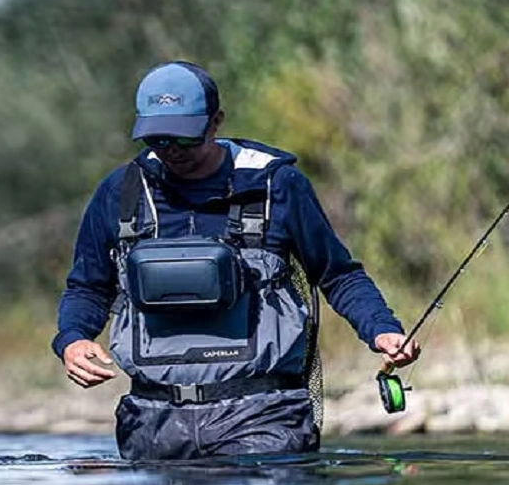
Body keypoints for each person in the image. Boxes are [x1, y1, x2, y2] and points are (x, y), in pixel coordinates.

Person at [53, 61, 421, 460]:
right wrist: (73, 339)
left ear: (216, 123)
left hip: (262, 416)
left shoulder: (275, 185)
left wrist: (382, 331)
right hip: (151, 421)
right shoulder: (119, 193)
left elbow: (337, 275)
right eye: (158, 140)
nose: (172, 151)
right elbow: (88, 287)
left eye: (184, 138)